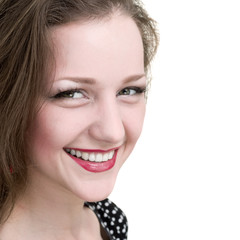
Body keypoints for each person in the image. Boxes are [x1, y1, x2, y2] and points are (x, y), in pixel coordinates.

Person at [0, 0, 159, 239]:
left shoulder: (110, 220)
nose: (113, 131)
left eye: (128, 91)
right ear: (9, 99)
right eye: (72, 94)